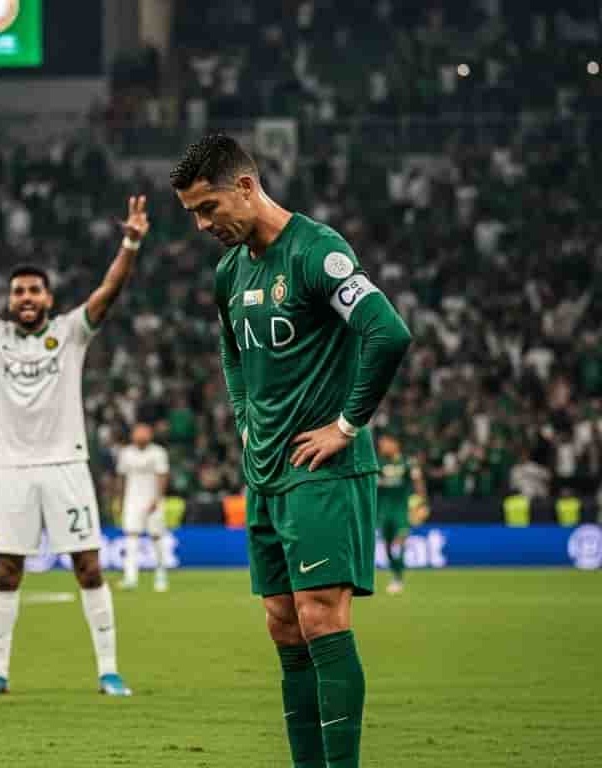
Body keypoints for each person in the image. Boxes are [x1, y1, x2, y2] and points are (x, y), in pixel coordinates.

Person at [171, 133, 412, 768]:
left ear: (246, 187)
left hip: (322, 470)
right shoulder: (231, 271)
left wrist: (346, 425)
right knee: (282, 621)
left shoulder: (317, 252)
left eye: (208, 208)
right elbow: (229, 346)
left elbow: (387, 334)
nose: (202, 225)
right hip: (266, 469)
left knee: (321, 619)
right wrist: (246, 416)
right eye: (193, 214)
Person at [0, 196, 150, 698]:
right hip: (15, 471)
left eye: (34, 291)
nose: (25, 297)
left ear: (48, 297)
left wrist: (129, 242)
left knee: (88, 566)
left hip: (67, 466)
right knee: (7, 570)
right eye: (18, 291)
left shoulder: (70, 333)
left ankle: (108, 671)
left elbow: (110, 290)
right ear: (9, 299)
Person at [116, 423, 171, 592]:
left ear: (150, 435)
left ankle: (161, 575)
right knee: (131, 537)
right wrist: (120, 499)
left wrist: (157, 499)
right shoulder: (125, 453)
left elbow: (163, 476)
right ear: (133, 435)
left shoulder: (158, 452)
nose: (140, 436)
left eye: (144, 433)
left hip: (152, 500)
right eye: (137, 433)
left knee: (156, 536)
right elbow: (121, 478)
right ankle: (130, 577)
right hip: (132, 500)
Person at [375, 435, 427, 595]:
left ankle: (398, 579)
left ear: (395, 443)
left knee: (399, 544)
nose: (382, 446)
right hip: (383, 512)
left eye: (385, 443)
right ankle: (395, 575)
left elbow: (419, 484)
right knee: (389, 547)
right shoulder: (378, 462)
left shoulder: (408, 462)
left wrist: (423, 504)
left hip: (401, 511)